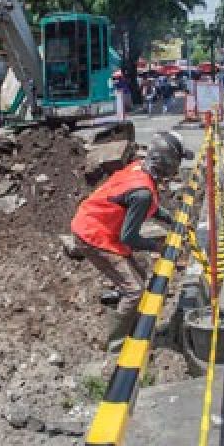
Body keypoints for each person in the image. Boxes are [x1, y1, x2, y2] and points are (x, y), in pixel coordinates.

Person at [71, 131, 193, 346]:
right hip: (93, 233)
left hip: (100, 224)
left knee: (139, 275)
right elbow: (129, 238)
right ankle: (116, 344)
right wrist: (158, 247)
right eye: (177, 162)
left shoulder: (140, 169)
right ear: (167, 162)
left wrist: (171, 220)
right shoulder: (142, 191)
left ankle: (133, 326)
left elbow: (149, 205)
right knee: (134, 290)